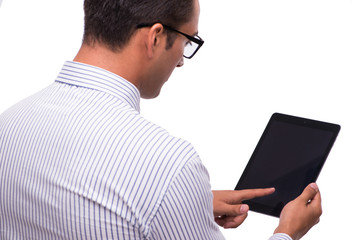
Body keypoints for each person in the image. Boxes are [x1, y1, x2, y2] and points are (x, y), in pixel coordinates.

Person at [0, 0, 322, 239]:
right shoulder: (169, 167)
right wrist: (288, 232)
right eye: (187, 41)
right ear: (154, 38)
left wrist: (179, 208)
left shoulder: (9, 125)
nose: (181, 61)